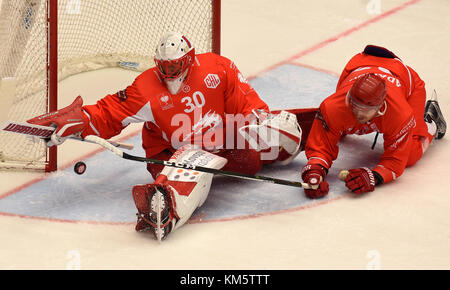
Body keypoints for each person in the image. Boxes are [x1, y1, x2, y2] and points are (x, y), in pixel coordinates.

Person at [27, 32, 307, 241]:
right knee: (191, 170)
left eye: (176, 67)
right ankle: (168, 201)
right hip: (167, 154)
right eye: (165, 67)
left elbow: (245, 100)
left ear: (190, 59)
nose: (170, 74)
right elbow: (110, 111)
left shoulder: (217, 69)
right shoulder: (147, 86)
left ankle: (284, 144)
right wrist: (83, 120)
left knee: (251, 161)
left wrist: (260, 120)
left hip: (219, 145)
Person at [300, 45, 446, 199]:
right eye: (354, 105)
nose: (357, 112)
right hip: (358, 64)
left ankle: (431, 120)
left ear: (380, 108)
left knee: (410, 154)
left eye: (364, 109)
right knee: (336, 126)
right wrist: (314, 171)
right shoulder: (333, 106)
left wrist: (374, 176)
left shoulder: (400, 114)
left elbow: (396, 161)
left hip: (406, 81)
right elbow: (320, 147)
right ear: (349, 97)